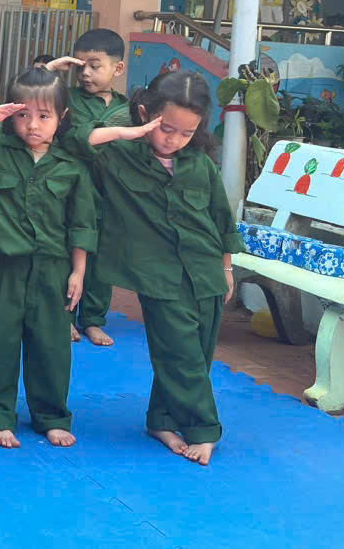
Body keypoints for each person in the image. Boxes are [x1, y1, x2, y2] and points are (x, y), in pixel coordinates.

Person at [72, 70, 241, 466]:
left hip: (206, 270)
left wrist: (227, 269)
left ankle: (161, 420)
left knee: (197, 354)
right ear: (147, 114)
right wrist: (126, 132)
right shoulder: (117, 155)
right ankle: (204, 429)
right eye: (166, 128)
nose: (174, 140)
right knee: (180, 354)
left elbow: (222, 217)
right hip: (157, 274)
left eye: (187, 133)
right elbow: (73, 139)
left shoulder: (199, 164)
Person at [0, 67, 97, 450]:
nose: (33, 125)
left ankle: (51, 416)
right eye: (22, 115)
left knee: (52, 347)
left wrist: (79, 272)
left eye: (44, 116)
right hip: (2, 267)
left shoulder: (71, 167)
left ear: (62, 117)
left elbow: (81, 225)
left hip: (53, 271)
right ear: (9, 113)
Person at [45, 28, 131, 346]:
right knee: (67, 255)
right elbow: (32, 97)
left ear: (117, 69)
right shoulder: (65, 98)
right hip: (69, 191)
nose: (85, 73)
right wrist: (50, 72)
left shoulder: (128, 109)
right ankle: (65, 316)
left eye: (95, 66)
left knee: (100, 260)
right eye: (80, 66)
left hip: (110, 196)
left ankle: (93, 319)